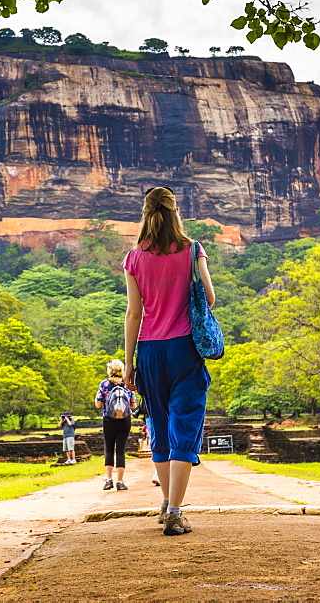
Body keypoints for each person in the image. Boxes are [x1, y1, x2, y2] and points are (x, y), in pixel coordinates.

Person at [123, 186, 215, 536]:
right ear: (176, 212)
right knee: (185, 427)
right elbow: (208, 296)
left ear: (145, 214)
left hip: (149, 351)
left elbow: (134, 313)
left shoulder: (134, 258)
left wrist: (130, 364)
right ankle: (175, 511)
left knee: (158, 427)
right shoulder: (193, 250)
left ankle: (164, 502)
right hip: (184, 349)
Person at [95, 358, 136, 490]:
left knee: (108, 449)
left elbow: (98, 404)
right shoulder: (126, 384)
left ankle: (108, 480)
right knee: (120, 450)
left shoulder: (105, 384)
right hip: (124, 420)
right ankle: (120, 481)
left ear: (110, 370)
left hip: (109, 419)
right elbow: (133, 405)